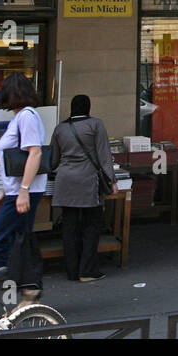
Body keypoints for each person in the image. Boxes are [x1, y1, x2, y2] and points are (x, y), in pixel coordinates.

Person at [0, 73, 47, 303]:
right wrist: (6, 191)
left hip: (23, 191)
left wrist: (22, 191)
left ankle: (25, 284)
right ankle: (28, 288)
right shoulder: (22, 117)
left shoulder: (26, 117)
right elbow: (18, 159)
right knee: (19, 240)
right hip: (18, 190)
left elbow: (35, 152)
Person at [49, 94, 117, 282]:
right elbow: (104, 155)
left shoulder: (60, 128)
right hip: (88, 182)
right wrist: (112, 180)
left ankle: (71, 270)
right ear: (88, 107)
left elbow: (53, 160)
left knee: (69, 226)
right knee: (91, 225)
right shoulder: (96, 125)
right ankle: (87, 270)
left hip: (65, 181)